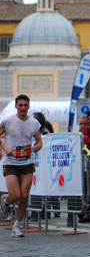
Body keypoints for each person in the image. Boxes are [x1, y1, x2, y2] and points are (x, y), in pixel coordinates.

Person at [0, 94, 43, 237]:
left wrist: (38, 146)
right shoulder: (7, 121)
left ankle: (16, 226)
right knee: (16, 195)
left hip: (27, 162)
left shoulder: (34, 123)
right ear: (16, 106)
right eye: (20, 105)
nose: (23, 108)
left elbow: (39, 140)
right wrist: (5, 148)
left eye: (26, 105)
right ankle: (6, 200)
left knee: (25, 196)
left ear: (29, 106)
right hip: (11, 162)